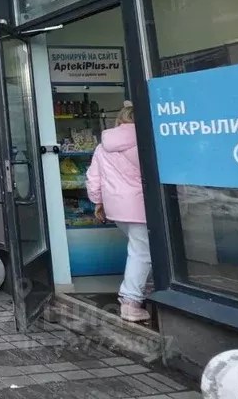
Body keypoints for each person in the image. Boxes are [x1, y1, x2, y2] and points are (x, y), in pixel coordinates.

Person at [86, 102, 150, 322]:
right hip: (143, 206)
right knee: (142, 253)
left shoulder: (102, 146)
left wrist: (98, 202)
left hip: (116, 208)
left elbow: (93, 179)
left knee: (140, 250)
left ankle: (144, 288)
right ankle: (131, 302)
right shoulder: (146, 141)